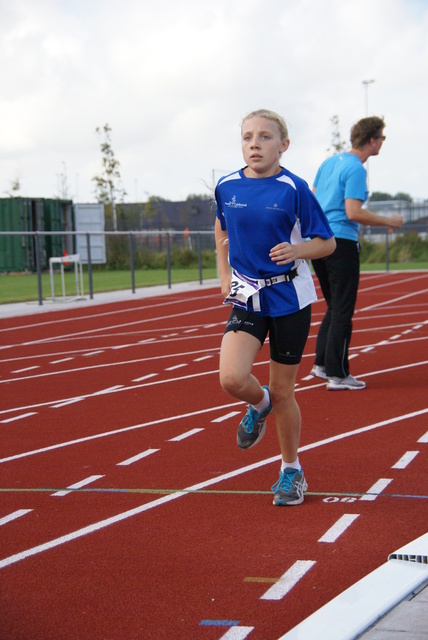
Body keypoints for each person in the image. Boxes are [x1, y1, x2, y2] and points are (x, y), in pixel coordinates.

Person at [214, 109, 336, 506]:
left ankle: (291, 471)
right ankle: (258, 403)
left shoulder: (294, 188)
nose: (255, 144)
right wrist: (223, 278)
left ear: (283, 145)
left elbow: (327, 242)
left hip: (289, 299)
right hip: (248, 295)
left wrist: (297, 250)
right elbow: (221, 232)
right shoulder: (227, 185)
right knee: (232, 378)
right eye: (248, 136)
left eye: (265, 137)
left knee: (285, 392)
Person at [310, 116, 404, 391]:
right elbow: (353, 212)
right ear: (372, 140)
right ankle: (338, 375)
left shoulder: (329, 163)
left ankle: (322, 364)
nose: (382, 143)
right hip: (341, 242)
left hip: (320, 241)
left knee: (334, 305)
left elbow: (314, 200)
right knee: (342, 309)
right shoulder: (356, 169)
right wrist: (390, 221)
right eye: (382, 138)